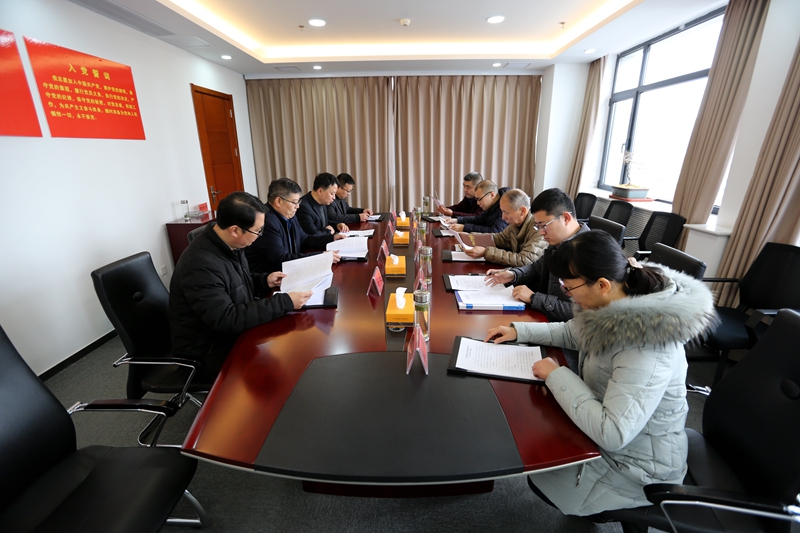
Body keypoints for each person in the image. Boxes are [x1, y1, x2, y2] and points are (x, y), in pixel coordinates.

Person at [484, 230, 717, 517]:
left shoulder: (647, 345)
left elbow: (613, 434)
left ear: (603, 284)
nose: (567, 294)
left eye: (568, 288)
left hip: (637, 468)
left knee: (535, 453)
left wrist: (557, 375)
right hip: (623, 439)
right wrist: (519, 331)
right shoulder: (619, 298)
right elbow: (574, 332)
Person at [169, 191, 312, 381]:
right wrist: (285, 301)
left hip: (229, 334)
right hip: (209, 349)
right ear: (235, 230)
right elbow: (227, 319)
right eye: (257, 231)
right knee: (286, 368)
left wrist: (265, 280)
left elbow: (234, 281)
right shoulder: (199, 264)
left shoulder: (229, 244)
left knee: (294, 344)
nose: (259, 236)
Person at [485, 188, 589, 321]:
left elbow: (580, 312)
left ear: (566, 218)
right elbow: (536, 267)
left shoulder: (587, 253)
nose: (540, 232)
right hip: (545, 317)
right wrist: (513, 274)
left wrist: (534, 298)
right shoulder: (559, 241)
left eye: (543, 225)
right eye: (538, 226)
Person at [245, 177, 345, 275]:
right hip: (270, 279)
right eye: (294, 202)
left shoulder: (289, 215)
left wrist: (332, 238)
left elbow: (305, 239)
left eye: (298, 202)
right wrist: (320, 257)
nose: (298, 206)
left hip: (288, 272)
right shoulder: (266, 221)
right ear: (279, 201)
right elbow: (282, 259)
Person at [462, 188, 547, 267]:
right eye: (502, 211)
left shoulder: (539, 229)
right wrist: (467, 238)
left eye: (506, 212)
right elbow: (499, 238)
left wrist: (485, 252)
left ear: (522, 211)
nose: (503, 217)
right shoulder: (515, 224)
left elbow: (524, 260)